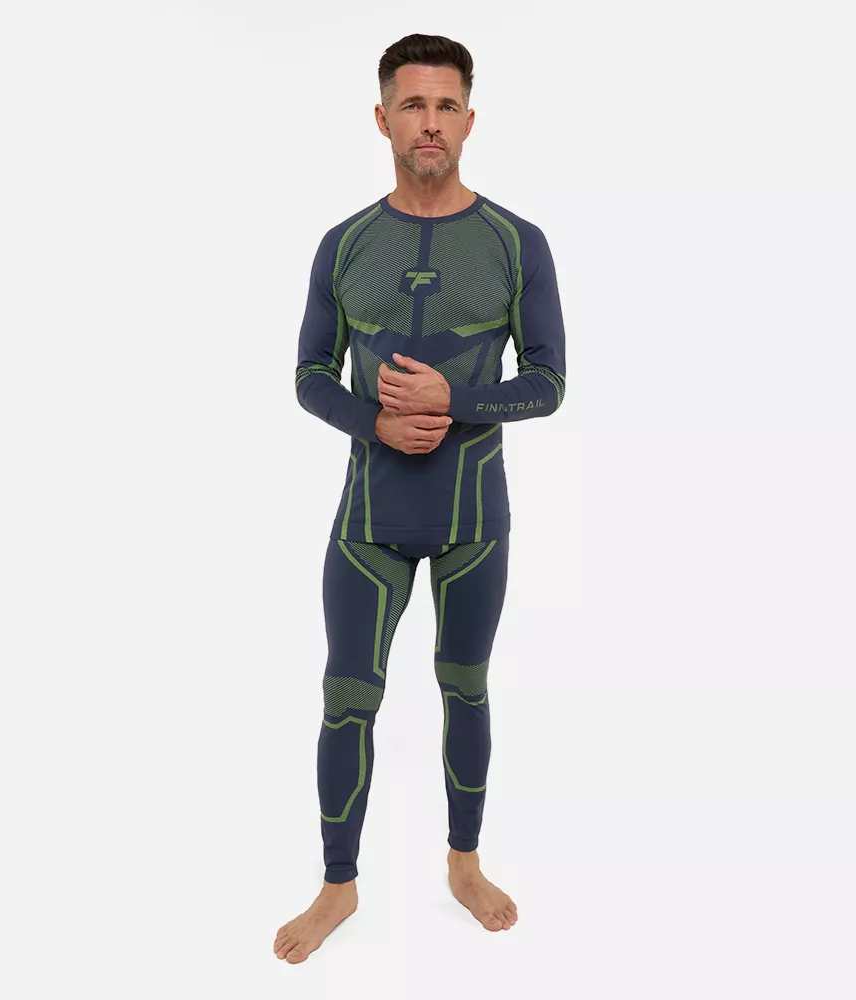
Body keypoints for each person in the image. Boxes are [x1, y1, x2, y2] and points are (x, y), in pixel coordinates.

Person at [274, 32, 566, 964]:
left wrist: (455, 401)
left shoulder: (517, 243)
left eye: (446, 106)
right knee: (346, 696)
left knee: (465, 689)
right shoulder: (345, 244)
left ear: (469, 120)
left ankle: (463, 865)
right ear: (383, 119)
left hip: (473, 519)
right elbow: (309, 375)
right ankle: (338, 886)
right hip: (370, 519)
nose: (429, 122)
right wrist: (374, 421)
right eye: (412, 105)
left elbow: (550, 383)